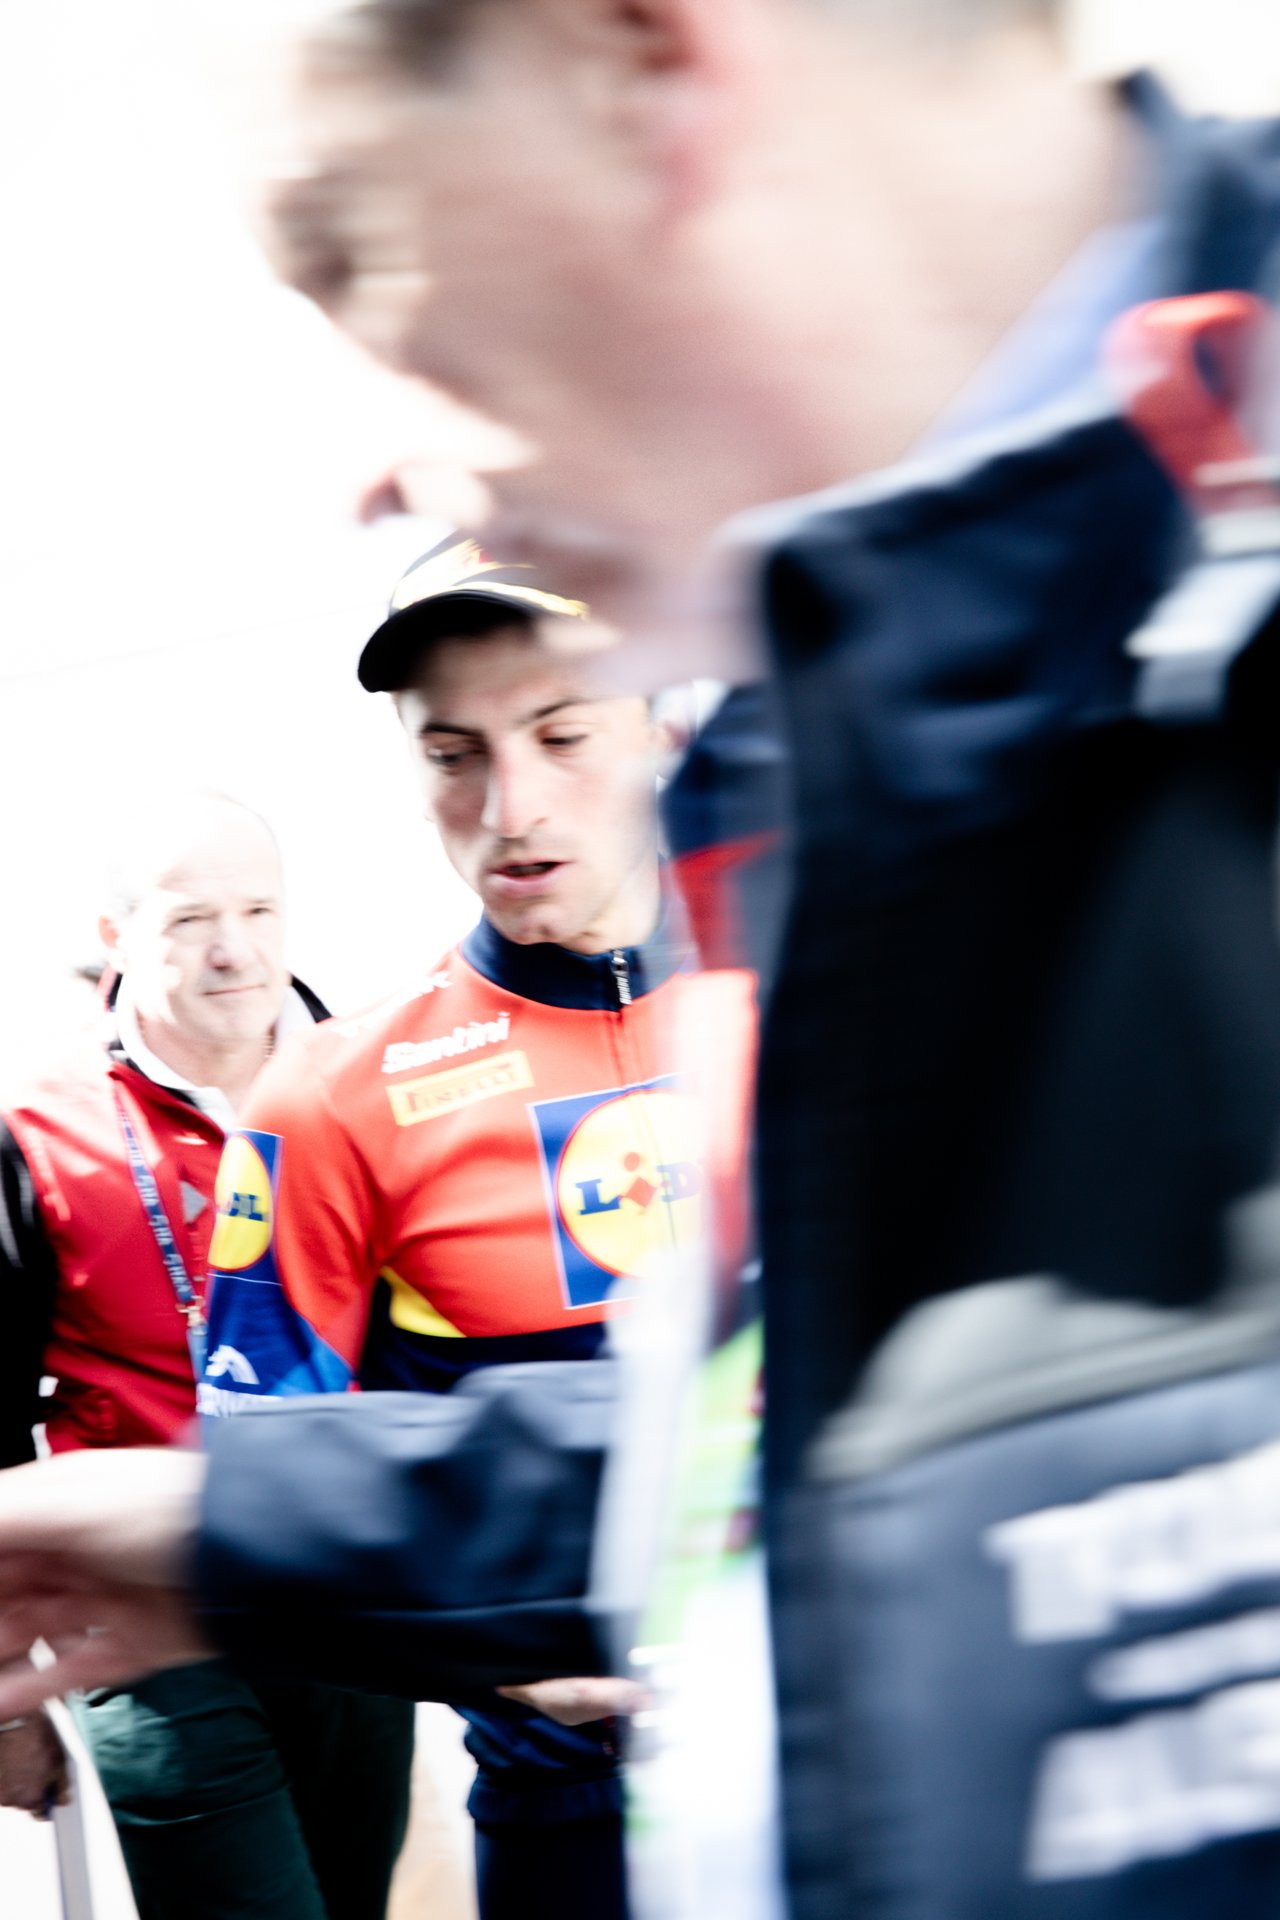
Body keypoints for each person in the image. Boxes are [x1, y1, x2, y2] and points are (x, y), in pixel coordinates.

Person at [4, 3, 1280, 1915]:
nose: (371, 472)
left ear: (642, 63)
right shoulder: (881, 757)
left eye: (361, 255)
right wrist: (231, 1521)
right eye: (450, 751)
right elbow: (895, 1443)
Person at [197, 540, 754, 1920]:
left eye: (563, 733)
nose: (511, 805)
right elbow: (265, 1461)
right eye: (453, 755)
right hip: (572, 1813)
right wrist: (502, 1664)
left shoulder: (821, 998)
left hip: (862, 1754)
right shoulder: (329, 1098)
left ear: (662, 724)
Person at [0, 791, 415, 1920]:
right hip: (142, 1613)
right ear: (116, 940)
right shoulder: (33, 1125)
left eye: (258, 910)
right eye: (189, 919)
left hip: (349, 1601)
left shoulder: (378, 1085)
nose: (233, 949)